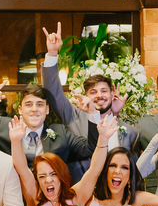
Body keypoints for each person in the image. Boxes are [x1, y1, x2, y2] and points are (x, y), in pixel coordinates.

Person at [40, 24, 137, 179]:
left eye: (104, 91)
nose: (99, 95)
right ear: (85, 96)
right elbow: (53, 94)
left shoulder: (129, 131)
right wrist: (52, 53)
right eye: (93, 92)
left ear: (113, 94)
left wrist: (116, 114)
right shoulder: (74, 116)